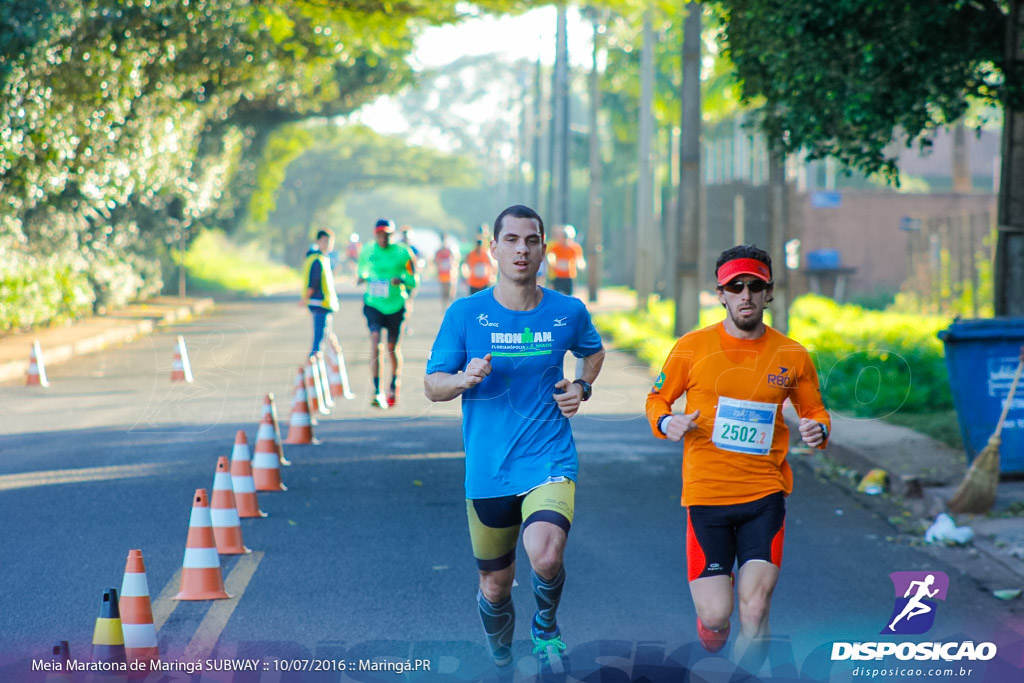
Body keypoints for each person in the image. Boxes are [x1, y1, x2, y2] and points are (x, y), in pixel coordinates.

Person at [425, 204, 606, 673]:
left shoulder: (568, 311)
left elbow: (594, 352)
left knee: (546, 555)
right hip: (488, 469)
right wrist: (463, 378)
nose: (522, 250)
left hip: (548, 457)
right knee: (494, 584)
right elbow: (432, 385)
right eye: (512, 240)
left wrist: (581, 387)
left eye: (531, 240)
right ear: (494, 249)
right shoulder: (466, 314)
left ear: (544, 249)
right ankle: (501, 652)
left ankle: (546, 625)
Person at [644, 244, 831, 672]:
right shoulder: (692, 347)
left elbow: (815, 412)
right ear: (721, 294)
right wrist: (666, 422)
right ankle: (714, 618)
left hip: (764, 494)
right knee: (716, 614)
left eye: (755, 286)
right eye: (735, 286)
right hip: (707, 497)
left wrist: (819, 430)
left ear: (769, 294)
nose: (745, 294)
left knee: (756, 608)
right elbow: (657, 398)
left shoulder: (791, 354)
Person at [357, 218, 418, 408]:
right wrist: (362, 278)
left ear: (393, 235)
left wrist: (401, 279)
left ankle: (394, 384)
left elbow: (414, 279)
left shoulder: (403, 252)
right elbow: (361, 271)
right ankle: (377, 391)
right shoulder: (367, 251)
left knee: (392, 348)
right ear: (375, 235)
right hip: (374, 304)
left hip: (396, 306)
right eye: (380, 234)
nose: (384, 238)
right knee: (375, 342)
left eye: (387, 234)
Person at [301, 229, 339, 359]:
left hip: (324, 304)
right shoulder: (317, 260)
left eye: (330, 241)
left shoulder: (323, 258)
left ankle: (316, 364)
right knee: (319, 338)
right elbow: (313, 283)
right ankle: (312, 366)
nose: (327, 244)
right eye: (324, 241)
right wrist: (305, 298)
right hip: (320, 303)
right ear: (318, 242)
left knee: (324, 336)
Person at [546, 224, 585, 296]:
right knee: (556, 296)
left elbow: (579, 259)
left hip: (569, 276)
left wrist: (580, 265)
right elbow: (551, 256)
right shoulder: (556, 247)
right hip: (557, 276)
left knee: (568, 296)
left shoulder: (575, 248)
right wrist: (552, 263)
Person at [434, 233, 460, 311]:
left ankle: (451, 307)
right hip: (442, 274)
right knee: (444, 292)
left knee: (451, 293)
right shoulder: (438, 251)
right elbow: (435, 262)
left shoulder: (450, 250)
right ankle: (445, 308)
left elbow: (456, 260)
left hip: (451, 274)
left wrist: (454, 267)